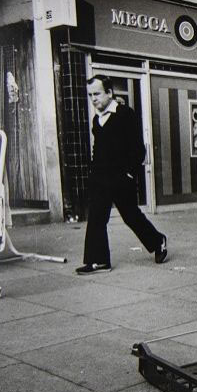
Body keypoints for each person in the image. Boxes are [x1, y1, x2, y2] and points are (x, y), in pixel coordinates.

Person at [76, 75, 168, 275]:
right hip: (100, 178)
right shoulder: (97, 119)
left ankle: (158, 241)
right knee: (97, 218)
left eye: (97, 94)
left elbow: (137, 149)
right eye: (90, 95)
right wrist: (93, 172)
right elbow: (98, 149)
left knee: (131, 216)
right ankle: (99, 261)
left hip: (121, 177)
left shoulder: (124, 114)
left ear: (109, 93)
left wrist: (128, 174)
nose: (93, 99)